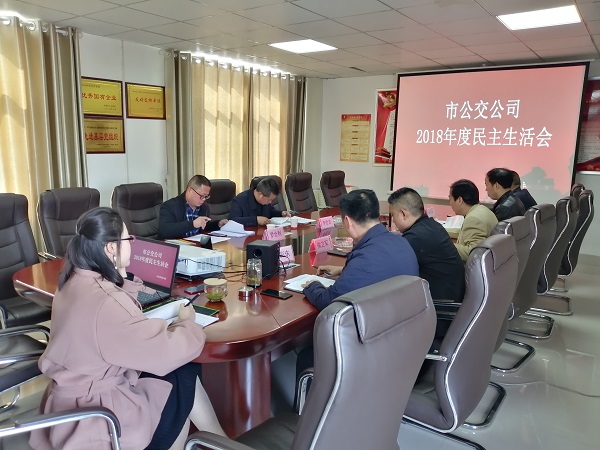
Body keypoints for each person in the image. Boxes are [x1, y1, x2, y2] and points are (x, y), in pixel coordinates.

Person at [30, 208, 225, 450]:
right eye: (128, 239)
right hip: (98, 416)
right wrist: (187, 322)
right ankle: (218, 440)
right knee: (182, 373)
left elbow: (110, 309)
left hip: (68, 400)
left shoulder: (72, 280)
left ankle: (219, 439)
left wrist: (122, 277)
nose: (132, 244)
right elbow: (164, 352)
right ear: (111, 247)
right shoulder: (107, 303)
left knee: (179, 375)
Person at [303, 189, 419, 311]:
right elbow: (381, 270)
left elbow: (328, 301)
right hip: (406, 316)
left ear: (347, 221)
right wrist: (344, 271)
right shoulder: (401, 242)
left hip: (379, 321)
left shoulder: (364, 259)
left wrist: (312, 285)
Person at [388, 187, 465, 301]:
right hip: (454, 296)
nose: (393, 220)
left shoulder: (415, 237)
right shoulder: (432, 225)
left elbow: (390, 269)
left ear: (403, 214)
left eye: (393, 215)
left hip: (441, 304)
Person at [158, 175, 227, 240]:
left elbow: (204, 227)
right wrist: (193, 224)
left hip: (195, 244)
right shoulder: (170, 206)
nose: (203, 199)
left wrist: (218, 224)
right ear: (190, 190)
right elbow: (165, 231)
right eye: (201, 196)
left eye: (206, 196)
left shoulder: (204, 207)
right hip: (177, 245)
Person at [449, 179, 498, 262]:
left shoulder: (473, 219)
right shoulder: (481, 209)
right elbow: (465, 233)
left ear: (459, 200)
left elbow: (473, 252)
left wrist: (444, 245)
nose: (450, 203)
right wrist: (441, 231)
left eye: (450, 199)